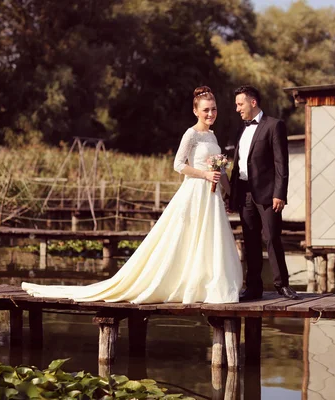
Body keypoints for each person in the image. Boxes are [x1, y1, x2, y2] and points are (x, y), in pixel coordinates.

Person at [22, 86, 243, 304]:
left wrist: (231, 195)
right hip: (195, 193)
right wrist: (204, 174)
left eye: (213, 109)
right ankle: (181, 283)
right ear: (195, 111)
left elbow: (221, 172)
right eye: (206, 110)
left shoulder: (213, 138)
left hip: (211, 199)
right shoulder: (191, 134)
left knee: (209, 240)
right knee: (185, 238)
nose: (211, 114)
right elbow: (178, 165)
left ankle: (207, 284)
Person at [227, 85, 299, 301]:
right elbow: (237, 164)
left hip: (268, 194)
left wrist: (280, 194)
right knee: (249, 240)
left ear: (253, 102)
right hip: (245, 193)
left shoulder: (274, 125)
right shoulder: (242, 129)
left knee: (272, 238)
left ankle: (282, 285)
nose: (237, 109)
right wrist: (232, 197)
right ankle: (253, 287)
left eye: (240, 104)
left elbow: (281, 164)